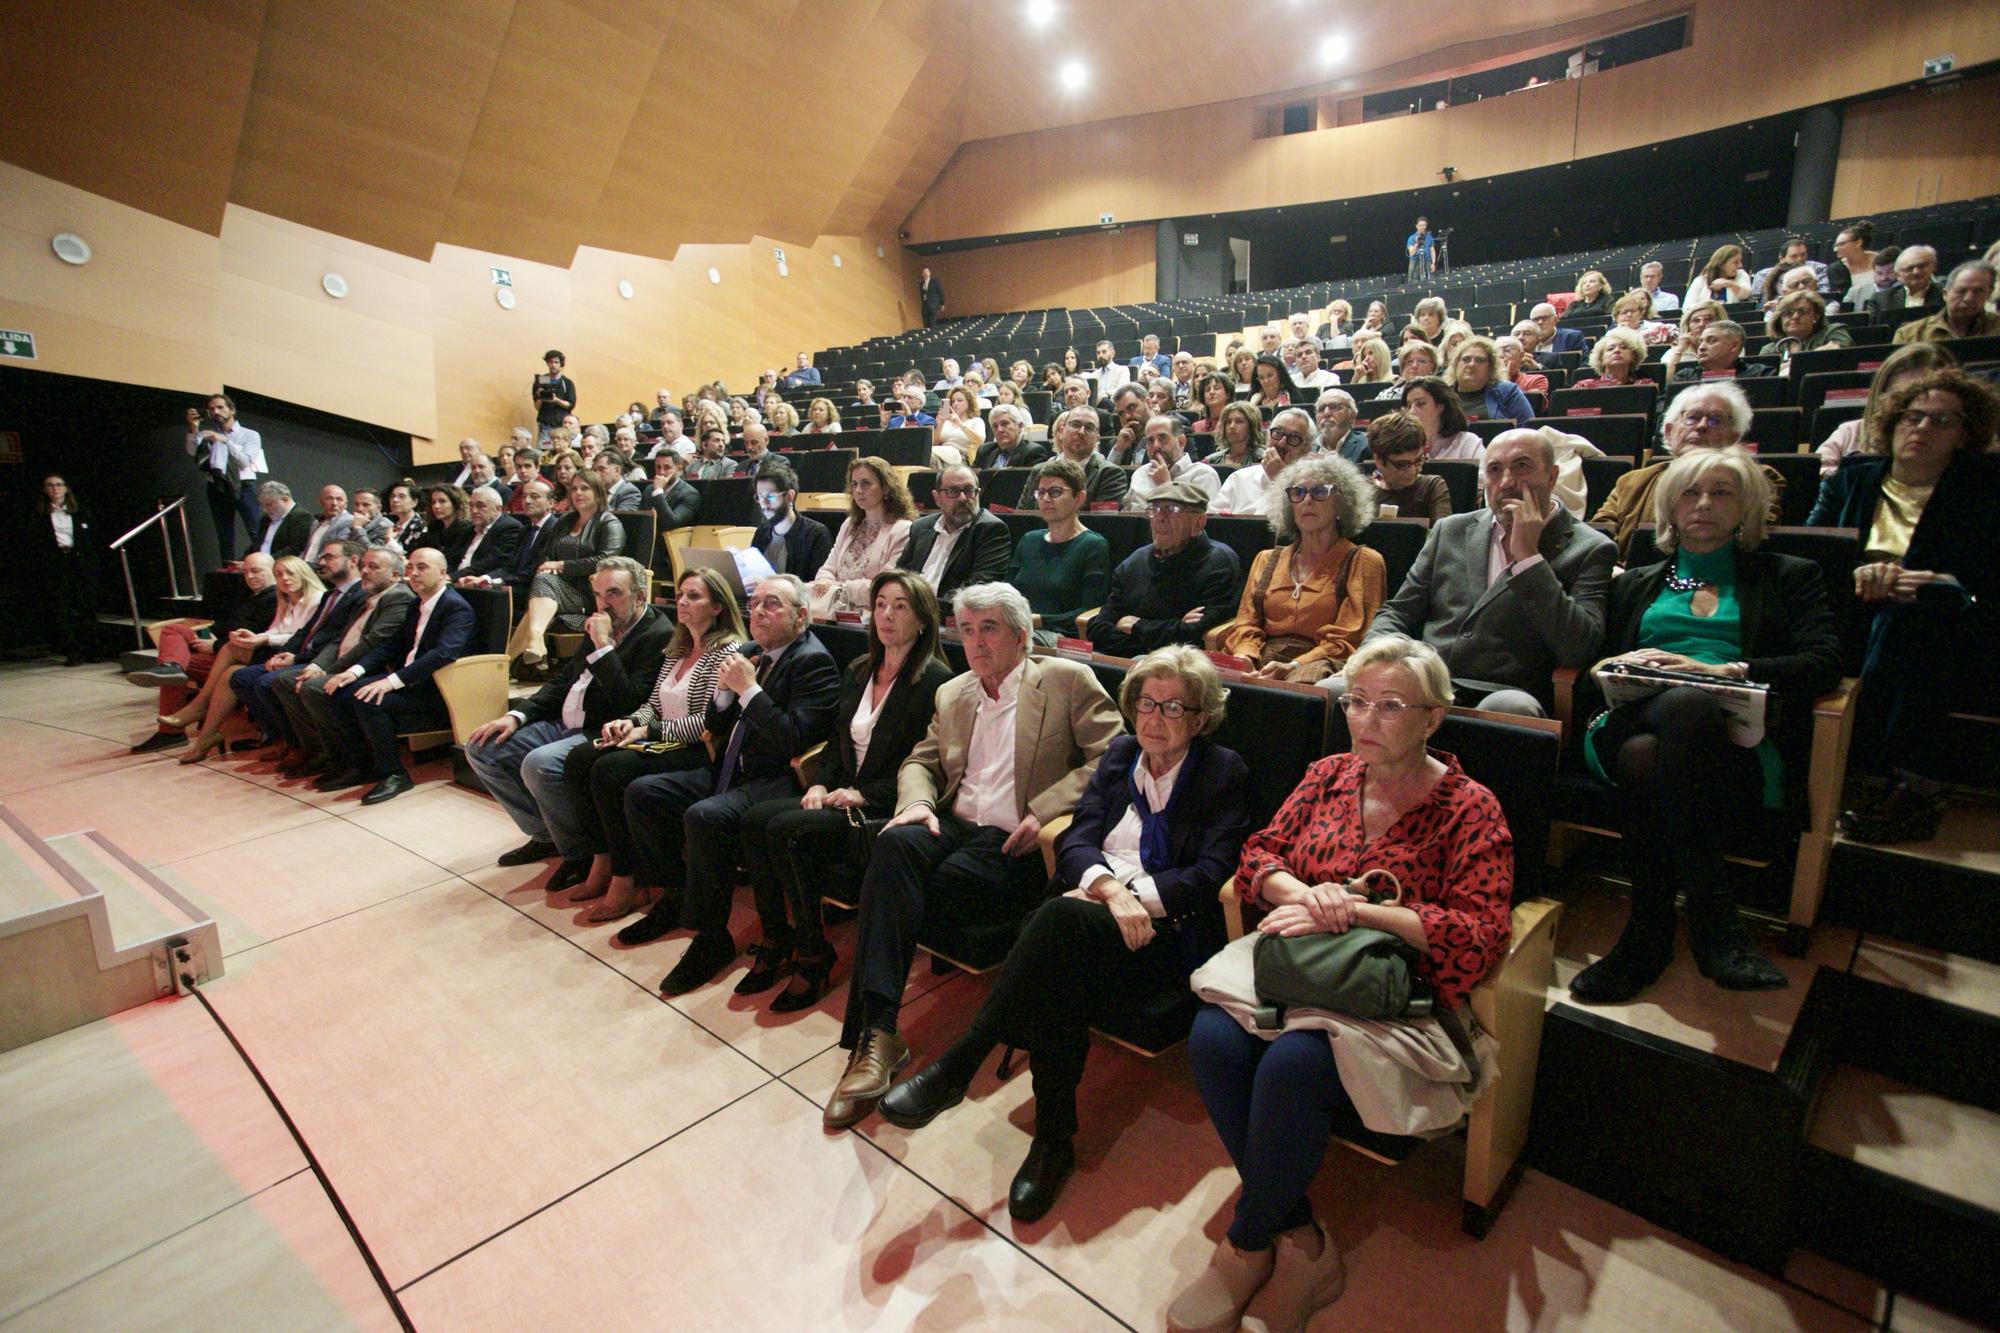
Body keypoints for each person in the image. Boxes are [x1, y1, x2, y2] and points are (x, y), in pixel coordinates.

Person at [1170, 635, 1512, 1333]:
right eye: (1356, 701)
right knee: (1210, 1038)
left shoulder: (1471, 806)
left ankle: (1245, 1244)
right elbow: (1258, 853)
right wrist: (1306, 891)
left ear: (1433, 718)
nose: (1366, 719)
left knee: (1294, 1064)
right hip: (1299, 962)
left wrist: (1356, 908)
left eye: (1390, 706)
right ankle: (1299, 1236)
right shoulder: (1327, 773)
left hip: (1389, 992)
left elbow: (1479, 932)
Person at [881, 647, 1253, 1220]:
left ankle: (963, 1064)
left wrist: (1132, 900)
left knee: (1053, 924)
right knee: (1062, 961)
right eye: (1145, 703)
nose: (1153, 718)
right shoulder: (1121, 754)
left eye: (1173, 708)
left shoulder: (1223, 770)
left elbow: (1209, 874)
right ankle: (1051, 1139)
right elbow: (1079, 839)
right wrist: (1107, 890)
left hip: (1159, 933)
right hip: (1089, 911)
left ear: (1200, 718)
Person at [824, 583, 1122, 1130]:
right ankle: (878, 1034)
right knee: (893, 843)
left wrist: (1049, 809)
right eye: (966, 630)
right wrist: (915, 802)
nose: (976, 642)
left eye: (989, 628)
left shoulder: (1065, 681)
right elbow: (921, 759)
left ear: (1021, 635)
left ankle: (872, 1040)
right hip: (953, 823)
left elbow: (1115, 755)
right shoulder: (955, 692)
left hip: (1015, 839)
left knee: (901, 885)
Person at [1570, 448, 1842, 1003]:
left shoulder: (1790, 577)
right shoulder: (1638, 582)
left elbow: (1826, 663)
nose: (1704, 505)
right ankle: (1715, 924)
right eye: (1690, 494)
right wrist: (1612, 668)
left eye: (1722, 493)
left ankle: (1647, 935)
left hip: (1734, 737)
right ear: (1669, 507)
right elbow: (1592, 666)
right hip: (1628, 716)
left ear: (1747, 508)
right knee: (1679, 713)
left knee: (1662, 743)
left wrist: (1725, 670)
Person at [736, 572, 954, 1011]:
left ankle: (814, 952)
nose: (887, 615)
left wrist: (863, 794)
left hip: (881, 805)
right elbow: (838, 744)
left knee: (784, 830)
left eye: (900, 606)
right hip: (840, 792)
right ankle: (777, 939)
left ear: (924, 620)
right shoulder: (860, 668)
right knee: (753, 819)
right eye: (880, 605)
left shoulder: (934, 681)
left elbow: (928, 764)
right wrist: (819, 780)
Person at [615, 575, 844, 991]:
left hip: (775, 778)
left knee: (706, 816)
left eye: (772, 604)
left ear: (801, 617)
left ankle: (711, 936)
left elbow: (794, 737)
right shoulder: (751, 651)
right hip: (730, 767)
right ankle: (675, 893)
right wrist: (723, 693)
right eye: (754, 603)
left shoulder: (813, 661)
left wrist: (749, 690)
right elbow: (716, 724)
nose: (758, 611)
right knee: (643, 793)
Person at [1811, 369, 2000, 843]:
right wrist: (1855, 572)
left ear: (1964, 434)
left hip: (1951, 619)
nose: (1922, 428)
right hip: (1852, 607)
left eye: (1942, 420)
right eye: (1913, 417)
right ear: (1892, 422)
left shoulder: (1983, 489)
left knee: (1912, 619)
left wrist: (1940, 582)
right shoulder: (1853, 480)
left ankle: (1915, 789)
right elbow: (1812, 553)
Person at [1362, 429, 1614, 715]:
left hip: (1508, 691)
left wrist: (1529, 558)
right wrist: (1374, 657)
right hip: (1429, 680)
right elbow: (1399, 612)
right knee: (1338, 689)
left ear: (1552, 476)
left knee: (1508, 709)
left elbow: (1579, 648)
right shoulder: (1451, 530)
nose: (1506, 482)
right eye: (1495, 470)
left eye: (1521, 466)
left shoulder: (1591, 548)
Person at [552, 568, 749, 912]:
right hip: (661, 740)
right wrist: (629, 722)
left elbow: (709, 724)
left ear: (717, 607)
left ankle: (628, 879)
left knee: (609, 772)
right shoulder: (678, 646)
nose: (683, 603)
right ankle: (603, 858)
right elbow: (654, 704)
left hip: (696, 751)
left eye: (694, 596)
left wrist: (648, 731)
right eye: (681, 595)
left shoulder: (726, 652)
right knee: (580, 759)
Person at [465, 557, 670, 877]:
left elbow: (629, 702)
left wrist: (604, 646)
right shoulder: (602, 621)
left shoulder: (657, 634)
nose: (603, 604)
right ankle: (546, 834)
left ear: (640, 597)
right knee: (482, 747)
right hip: (563, 721)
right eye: (599, 595)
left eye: (614, 593)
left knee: (539, 764)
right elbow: (566, 681)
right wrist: (518, 715)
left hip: (603, 727)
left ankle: (580, 853)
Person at [315, 547, 475, 804]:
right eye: (410, 568)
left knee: (368, 699)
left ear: (443, 573)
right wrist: (354, 671)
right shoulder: (416, 604)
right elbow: (390, 645)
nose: (413, 573)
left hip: (436, 690)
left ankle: (394, 773)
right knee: (339, 692)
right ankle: (361, 766)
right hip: (409, 683)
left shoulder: (456, 608)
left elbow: (444, 654)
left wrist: (390, 682)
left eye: (422, 567)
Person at [1218, 456, 1385, 684]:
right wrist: (1245, 655)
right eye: (1298, 493)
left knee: (1297, 686)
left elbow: (1350, 639)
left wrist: (1294, 665)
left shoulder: (1364, 561)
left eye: (1319, 491)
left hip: (1323, 663)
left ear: (1342, 502)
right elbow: (1246, 623)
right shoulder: (1266, 559)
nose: (1307, 500)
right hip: (1263, 657)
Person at [1594, 382, 1783, 561]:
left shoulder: (1757, 479)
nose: (1701, 426)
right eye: (1692, 418)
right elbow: (1599, 534)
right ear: (1669, 432)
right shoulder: (1631, 481)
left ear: (1734, 437)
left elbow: (1750, 538)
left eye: (1715, 420)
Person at [272, 547, 415, 779]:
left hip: (371, 668)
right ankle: (320, 752)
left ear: (395, 576)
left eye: (374, 567)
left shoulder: (398, 597)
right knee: (284, 680)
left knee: (313, 688)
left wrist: (328, 672)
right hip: (342, 663)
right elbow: (340, 637)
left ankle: (355, 762)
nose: (365, 571)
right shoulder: (365, 596)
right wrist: (316, 666)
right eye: (364, 566)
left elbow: (371, 644)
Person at [230, 539, 369, 768]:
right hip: (306, 654)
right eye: (322, 557)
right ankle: (285, 740)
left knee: (268, 682)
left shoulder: (358, 595)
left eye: (329, 557)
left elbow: (339, 639)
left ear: (352, 561)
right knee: (241, 677)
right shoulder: (331, 595)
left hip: (327, 659)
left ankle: (308, 746)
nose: (322, 562)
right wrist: (285, 653)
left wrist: (299, 659)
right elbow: (306, 631)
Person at [174, 554, 324, 763]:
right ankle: (206, 738)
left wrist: (261, 640)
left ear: (304, 573)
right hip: (278, 649)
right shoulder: (286, 599)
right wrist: (255, 637)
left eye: (290, 573)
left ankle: (199, 707)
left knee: (230, 649)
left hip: (300, 655)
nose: (285, 579)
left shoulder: (317, 599)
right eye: (279, 574)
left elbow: (303, 636)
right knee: (232, 673)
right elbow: (277, 628)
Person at [129, 554, 277, 753]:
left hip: (242, 655)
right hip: (219, 646)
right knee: (174, 631)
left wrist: (216, 646)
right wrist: (211, 638)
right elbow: (223, 625)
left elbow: (262, 635)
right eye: (246, 572)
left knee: (181, 669)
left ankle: (170, 732)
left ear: (273, 570)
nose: (250, 576)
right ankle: (171, 667)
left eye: (256, 571)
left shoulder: (275, 598)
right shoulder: (247, 596)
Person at [1087, 480, 1241, 658]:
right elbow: (1098, 628)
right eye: (1154, 509)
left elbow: (1192, 636)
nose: (1159, 517)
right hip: (1126, 655)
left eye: (1172, 509)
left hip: (1179, 665)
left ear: (1198, 523)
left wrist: (1137, 626)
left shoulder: (1219, 563)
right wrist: (1166, 629)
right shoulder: (1134, 561)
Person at [503, 471, 627, 672]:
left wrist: (561, 566)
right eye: (574, 488)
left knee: (540, 592)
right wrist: (550, 566)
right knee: (543, 584)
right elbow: (546, 555)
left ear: (598, 492)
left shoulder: (608, 522)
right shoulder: (565, 521)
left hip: (590, 593)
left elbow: (605, 560)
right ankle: (530, 648)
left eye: (584, 488)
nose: (578, 493)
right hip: (559, 588)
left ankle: (509, 662)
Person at [1009, 459, 1113, 643]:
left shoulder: (1093, 545)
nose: (1046, 499)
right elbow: (1007, 592)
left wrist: (1039, 621)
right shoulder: (1029, 540)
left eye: (1055, 492)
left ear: (1079, 498)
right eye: (1041, 492)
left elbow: (1090, 611)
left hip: (1059, 636)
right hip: (1019, 629)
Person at [1816, 342, 1957, 476]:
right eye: (1899, 395)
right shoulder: (1851, 432)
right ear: (1880, 395)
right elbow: (1815, 470)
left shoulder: (1953, 437)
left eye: (1923, 394)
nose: (1912, 405)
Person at [806, 457, 914, 619]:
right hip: (834, 610)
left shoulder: (902, 530)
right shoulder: (849, 524)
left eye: (866, 483)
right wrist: (825, 582)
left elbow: (883, 586)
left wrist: (838, 588)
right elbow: (828, 567)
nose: (858, 490)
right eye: (854, 484)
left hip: (874, 616)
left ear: (886, 487)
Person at [897, 465, 1012, 612]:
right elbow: (900, 575)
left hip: (950, 619)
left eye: (969, 490)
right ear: (937, 498)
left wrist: (921, 608)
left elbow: (978, 590)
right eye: (953, 491)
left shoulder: (991, 530)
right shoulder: (921, 527)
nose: (963, 498)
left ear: (978, 493)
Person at [183, 393, 268, 562]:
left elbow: (245, 461)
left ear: (232, 410)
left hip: (243, 485)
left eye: (221, 407)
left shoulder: (250, 434)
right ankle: (227, 571)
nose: (216, 412)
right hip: (217, 485)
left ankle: (265, 567)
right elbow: (193, 452)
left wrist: (225, 441)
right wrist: (194, 428)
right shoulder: (208, 433)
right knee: (224, 533)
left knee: (255, 530)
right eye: (212, 409)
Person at [34, 475, 100, 666]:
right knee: (63, 608)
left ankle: (92, 649)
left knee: (86, 606)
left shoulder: (80, 512)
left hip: (79, 562)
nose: (55, 489)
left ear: (66, 488)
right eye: (50, 485)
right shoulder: (40, 515)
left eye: (59, 485)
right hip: (57, 563)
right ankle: (73, 652)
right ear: (45, 490)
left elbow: (91, 539)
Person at [1022, 408, 1130, 510]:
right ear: (1061, 431)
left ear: (1097, 437)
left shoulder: (1110, 474)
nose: (1081, 432)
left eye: (1089, 428)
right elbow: (1021, 517)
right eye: (1075, 425)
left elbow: (1101, 522)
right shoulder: (1038, 471)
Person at [748, 461, 832, 580]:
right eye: (760, 497)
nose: (764, 504)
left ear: (789, 496)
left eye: (770, 497)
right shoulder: (762, 532)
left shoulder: (816, 534)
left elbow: (816, 588)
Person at [1367, 411, 1452, 520]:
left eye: (1418, 460)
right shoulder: (1362, 491)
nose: (1412, 471)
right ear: (1378, 460)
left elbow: (1442, 534)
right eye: (1402, 464)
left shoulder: (1431, 487)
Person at [1124, 414, 1221, 511]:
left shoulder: (1203, 475)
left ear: (1181, 442)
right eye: (1150, 440)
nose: (1156, 445)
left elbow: (1203, 521)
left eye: (1162, 438)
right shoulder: (1140, 474)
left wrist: (1166, 486)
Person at [1893, 260, 2000, 343]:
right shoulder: (1909, 334)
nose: (1969, 298)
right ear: (1945, 294)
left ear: (1989, 294)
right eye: (1961, 291)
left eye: (1978, 291)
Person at [1450, 337, 1534, 425]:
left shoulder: (1508, 392)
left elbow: (1529, 429)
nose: (1471, 364)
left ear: (1490, 368)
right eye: (1466, 359)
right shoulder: (1442, 394)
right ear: (1456, 364)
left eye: (1480, 360)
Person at [452, 486, 525, 582]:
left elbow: (491, 562)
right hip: (457, 581)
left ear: (498, 509)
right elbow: (452, 558)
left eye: (480, 506)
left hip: (481, 583)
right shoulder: (469, 530)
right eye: (471, 505)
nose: (474, 511)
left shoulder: (510, 528)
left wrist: (452, 577)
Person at [1400, 377, 1483, 461]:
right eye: (1409, 406)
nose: (1412, 411)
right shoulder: (1402, 445)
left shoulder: (1467, 442)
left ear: (1441, 406)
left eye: (1420, 404)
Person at [1668, 320, 1769, 383]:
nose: (1701, 348)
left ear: (1734, 346)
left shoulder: (1761, 374)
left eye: (1711, 341)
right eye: (1701, 341)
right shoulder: (1685, 377)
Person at [1761, 289, 1853, 358]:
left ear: (1816, 316)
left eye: (1803, 311)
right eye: (1788, 312)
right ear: (1780, 319)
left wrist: (1789, 365)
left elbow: (1840, 352)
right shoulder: (1770, 349)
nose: (1795, 316)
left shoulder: (1833, 332)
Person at [1868, 245, 1942, 319]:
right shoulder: (1881, 299)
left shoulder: (1944, 294)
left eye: (1921, 266)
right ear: (1897, 275)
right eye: (1909, 268)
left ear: (1933, 267)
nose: (1916, 272)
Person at [973, 402, 1049, 471]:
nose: (1000, 429)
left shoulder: (1033, 453)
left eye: (1005, 424)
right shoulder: (984, 451)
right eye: (995, 426)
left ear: (1020, 426)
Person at [1661, 299, 1728, 376]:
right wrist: (1679, 351)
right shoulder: (1674, 352)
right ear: (1688, 326)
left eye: (1708, 319)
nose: (1701, 324)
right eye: (1696, 320)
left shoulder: (1730, 347)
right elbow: (1666, 382)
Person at [248, 481, 312, 560]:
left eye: (269, 505)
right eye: (262, 506)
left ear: (285, 499)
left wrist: (265, 562)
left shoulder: (301, 517)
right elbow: (258, 544)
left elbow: (295, 549)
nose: (264, 510)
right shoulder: (266, 518)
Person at [642, 450, 702, 531]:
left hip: (675, 540)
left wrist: (658, 492)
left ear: (679, 468)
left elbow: (672, 524)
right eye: (658, 467)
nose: (661, 472)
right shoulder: (649, 490)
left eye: (667, 467)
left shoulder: (690, 494)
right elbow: (643, 520)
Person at [1571, 327, 1648, 390]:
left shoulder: (1645, 386)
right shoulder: (1584, 387)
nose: (1617, 350)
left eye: (1624, 347)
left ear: (1634, 355)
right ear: (1601, 358)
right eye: (1610, 349)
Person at [298, 485, 358, 564]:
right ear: (320, 502)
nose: (334, 503)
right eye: (329, 498)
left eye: (339, 499)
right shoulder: (316, 523)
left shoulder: (349, 522)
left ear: (346, 504)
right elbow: (307, 549)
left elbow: (337, 552)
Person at [1202, 401, 1265, 472]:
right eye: (1228, 422)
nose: (1232, 426)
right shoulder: (1211, 461)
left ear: (1252, 426)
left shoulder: (1263, 459)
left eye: (1239, 421)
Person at [419, 484, 474, 566]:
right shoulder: (434, 528)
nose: (436, 506)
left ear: (455, 503)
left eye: (442, 501)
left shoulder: (466, 529)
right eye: (433, 502)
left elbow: (453, 560)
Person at [1686, 245, 1755, 308]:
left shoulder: (1741, 275)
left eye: (1740, 261)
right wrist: (1711, 305)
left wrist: (1729, 284)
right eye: (1736, 262)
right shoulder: (1700, 280)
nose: (1740, 265)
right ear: (1721, 264)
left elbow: (1746, 294)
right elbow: (1687, 307)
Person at [1827, 221, 1877, 308]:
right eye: (1835, 246)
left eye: (1841, 244)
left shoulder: (1880, 260)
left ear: (1858, 243)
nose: (1835, 249)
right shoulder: (1836, 269)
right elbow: (1842, 298)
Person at [532, 350, 575, 444]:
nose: (553, 365)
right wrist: (540, 396)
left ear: (561, 364)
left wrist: (556, 400)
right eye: (551, 362)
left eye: (556, 362)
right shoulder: (542, 380)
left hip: (562, 427)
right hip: (545, 427)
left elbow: (570, 404)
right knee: (545, 455)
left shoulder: (566, 382)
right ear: (547, 363)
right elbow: (537, 407)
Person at [1405, 217, 1437, 284]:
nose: (1422, 227)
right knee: (1414, 282)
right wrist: (1417, 242)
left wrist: (1433, 263)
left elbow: (1432, 250)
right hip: (1415, 262)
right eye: (1420, 225)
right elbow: (1411, 253)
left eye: (1424, 225)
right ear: (1417, 226)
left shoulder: (1429, 237)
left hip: (1427, 261)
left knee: (1429, 281)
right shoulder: (1412, 238)